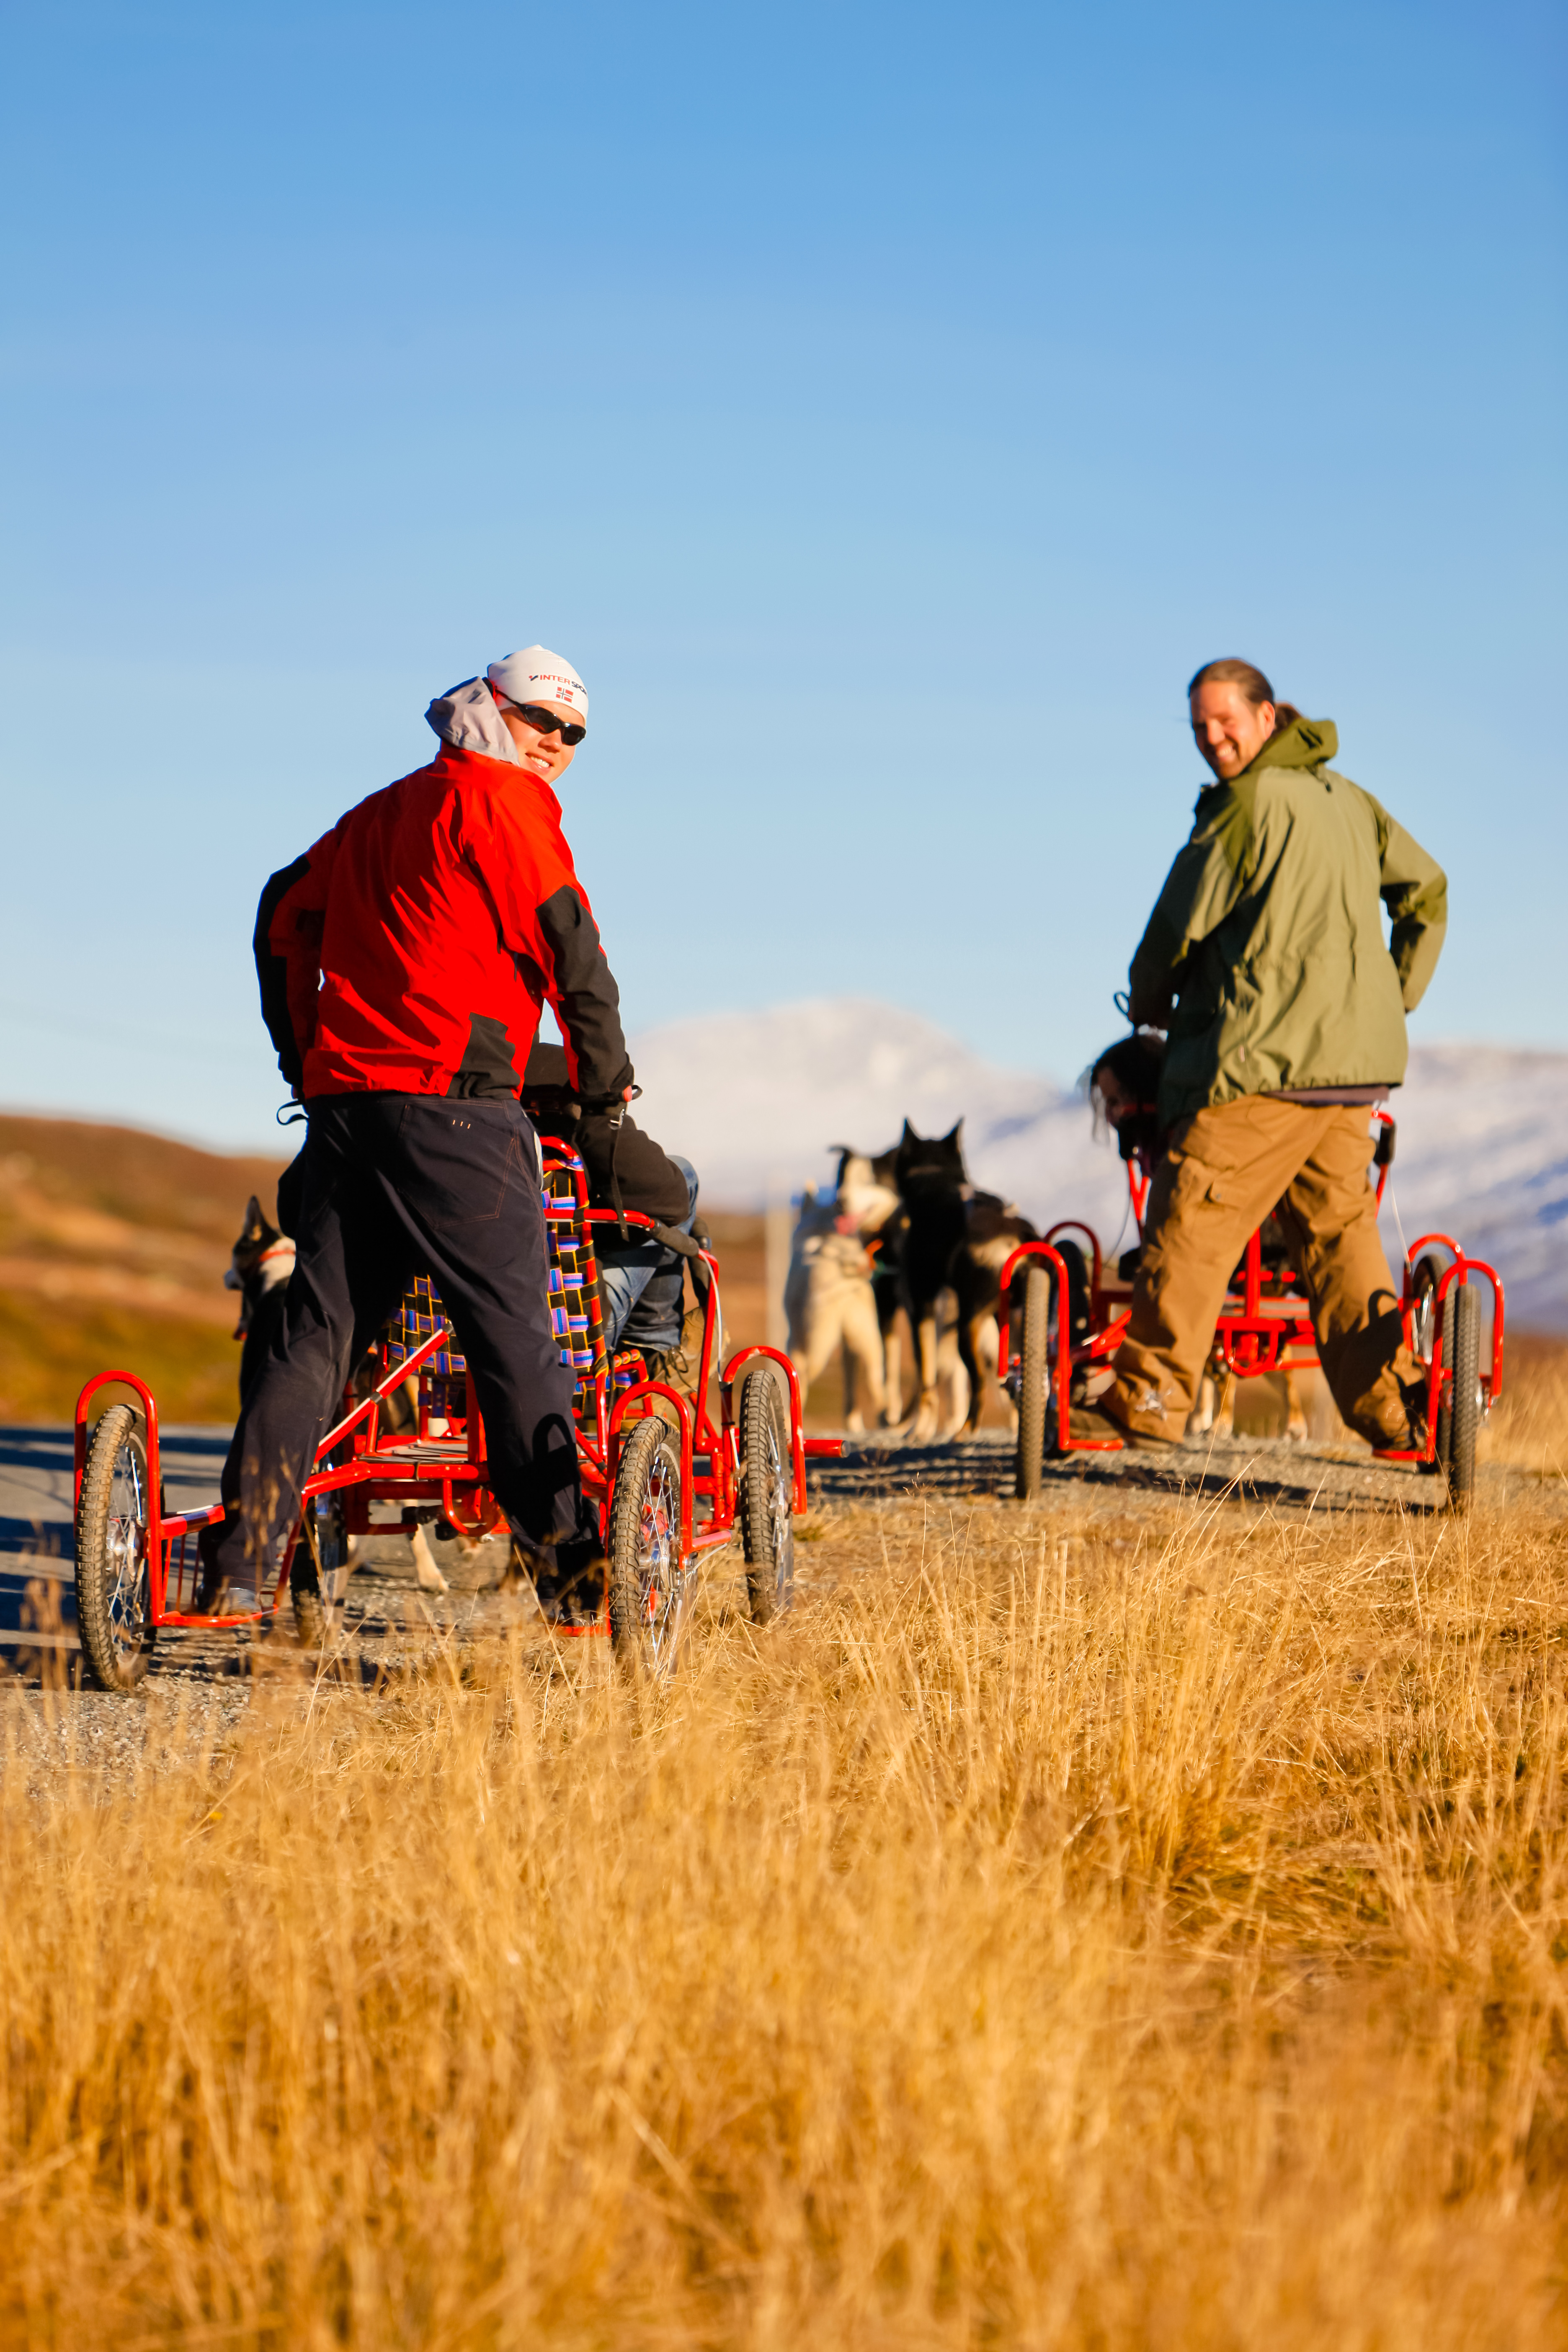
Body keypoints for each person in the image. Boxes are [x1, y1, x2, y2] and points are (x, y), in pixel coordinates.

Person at [198, 645, 627, 1618]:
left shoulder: (382, 810)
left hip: (349, 1109)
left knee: (314, 1334)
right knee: (514, 1334)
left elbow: (280, 908)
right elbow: (572, 945)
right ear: (491, 708)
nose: (556, 745)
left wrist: (298, 1056)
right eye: (541, 722)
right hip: (455, 1110)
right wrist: (602, 1086)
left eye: (574, 734)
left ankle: (242, 1558)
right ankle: (569, 1566)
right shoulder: (502, 803)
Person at [1075, 657, 1447, 1452]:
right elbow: (1426, 891)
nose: (1212, 740)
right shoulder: (1353, 805)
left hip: (1260, 1066)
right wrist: (1394, 994)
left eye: (1224, 722)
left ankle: (1150, 1399)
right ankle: (1395, 1412)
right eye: (1198, 728)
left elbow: (1176, 925)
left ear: (1267, 716)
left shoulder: (1241, 810)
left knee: (1191, 1218)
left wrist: (1146, 1001)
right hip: (1351, 1077)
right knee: (1340, 1244)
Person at [521, 1041, 706, 1379]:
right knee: (683, 1179)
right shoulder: (586, 1129)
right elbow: (675, 1201)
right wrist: (604, 1112)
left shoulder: (454, 1141)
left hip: (448, 1334)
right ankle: (657, 1352)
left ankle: (656, 1347)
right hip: (572, 1331)